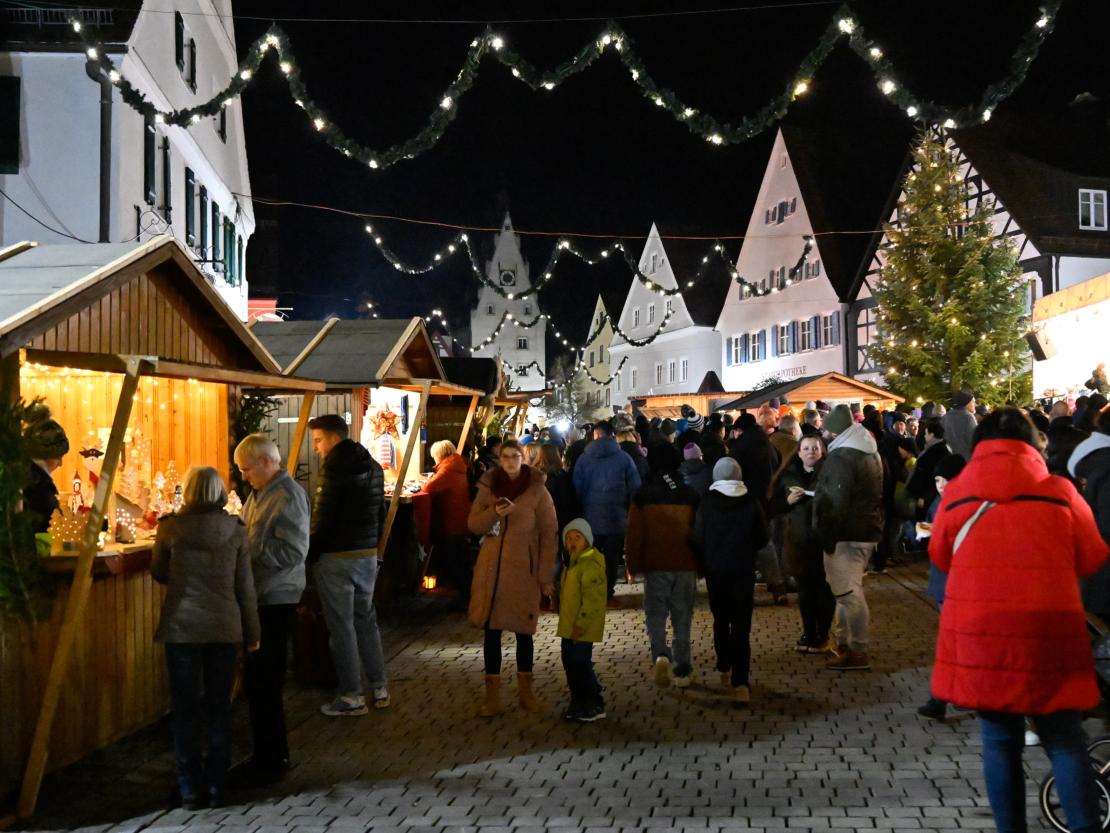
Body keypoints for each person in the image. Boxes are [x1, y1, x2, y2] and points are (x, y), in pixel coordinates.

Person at [930, 408, 1108, 833]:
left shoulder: (957, 493)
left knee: (999, 742)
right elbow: (1093, 556)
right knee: (1065, 740)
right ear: (1034, 445)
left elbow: (940, 556)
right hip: (1049, 631)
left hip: (983, 634)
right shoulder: (1059, 491)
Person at [151, 466, 259, 810]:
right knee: (218, 708)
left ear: (189, 490)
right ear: (219, 493)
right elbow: (245, 586)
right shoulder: (234, 530)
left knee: (184, 710)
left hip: (182, 628)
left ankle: (189, 789)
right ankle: (216, 785)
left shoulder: (169, 527)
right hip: (224, 629)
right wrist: (253, 633)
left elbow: (159, 572)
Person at [234, 434, 309, 784]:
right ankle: (267, 754)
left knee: (266, 679)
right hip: (261, 596)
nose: (244, 476)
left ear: (267, 461)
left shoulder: (288, 495)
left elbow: (293, 552)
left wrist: (249, 553)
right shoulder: (259, 493)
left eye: (247, 469)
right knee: (259, 680)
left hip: (276, 597)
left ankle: (271, 758)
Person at [307, 414, 390, 717]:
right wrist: (373, 545)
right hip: (366, 554)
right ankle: (380, 687)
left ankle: (352, 696)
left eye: (317, 440)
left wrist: (311, 554)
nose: (316, 448)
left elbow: (322, 518)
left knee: (341, 628)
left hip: (337, 557)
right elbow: (380, 511)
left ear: (332, 438)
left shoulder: (333, 469)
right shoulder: (372, 465)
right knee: (366, 621)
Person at [468, 438, 557, 716]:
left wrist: (544, 575)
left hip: (523, 571)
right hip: (492, 569)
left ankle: (526, 692)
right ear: (500, 458)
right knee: (491, 633)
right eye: (505, 456)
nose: (509, 461)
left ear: (523, 458)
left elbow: (548, 533)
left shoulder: (537, 490)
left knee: (523, 633)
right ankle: (492, 696)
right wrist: (494, 513)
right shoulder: (489, 486)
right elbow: (473, 524)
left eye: (515, 456)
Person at [692, 457, 769, 704]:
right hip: (743, 571)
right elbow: (763, 537)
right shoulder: (751, 502)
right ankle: (741, 682)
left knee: (721, 619)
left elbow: (698, 537)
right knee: (741, 625)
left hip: (717, 571)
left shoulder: (707, 503)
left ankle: (723, 662)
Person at [813, 404, 883, 671]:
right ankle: (844, 643)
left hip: (845, 534)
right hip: (865, 530)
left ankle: (857, 649)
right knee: (844, 591)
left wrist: (826, 534)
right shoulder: (868, 449)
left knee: (849, 593)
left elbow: (835, 501)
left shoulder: (842, 456)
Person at [625, 443, 700, 688]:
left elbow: (634, 534)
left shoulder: (643, 495)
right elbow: (700, 532)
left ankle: (660, 654)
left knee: (656, 613)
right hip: (685, 561)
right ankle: (683, 665)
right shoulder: (690, 494)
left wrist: (633, 564)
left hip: (656, 563)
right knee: (683, 615)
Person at [771, 435, 834, 654]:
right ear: (798, 453)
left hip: (823, 541)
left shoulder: (830, 473)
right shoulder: (788, 475)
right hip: (798, 542)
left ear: (822, 451)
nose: (811, 452)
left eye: (815, 448)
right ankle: (808, 632)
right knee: (805, 591)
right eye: (806, 448)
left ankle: (823, 634)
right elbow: (773, 506)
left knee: (824, 590)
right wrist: (786, 502)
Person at [915, 452, 966, 722]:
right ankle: (950, 694)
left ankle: (944, 697)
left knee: (953, 643)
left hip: (955, 582)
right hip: (943, 579)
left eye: (947, 479)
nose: (942, 485)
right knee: (952, 642)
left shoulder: (963, 504)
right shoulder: (940, 502)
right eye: (937, 480)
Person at [572, 421, 641, 601]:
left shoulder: (583, 459)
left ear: (595, 435)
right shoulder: (624, 458)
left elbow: (576, 488)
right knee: (611, 558)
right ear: (611, 435)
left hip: (589, 517)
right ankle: (608, 591)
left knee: (591, 556)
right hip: (616, 517)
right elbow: (635, 487)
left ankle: (592, 590)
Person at [728, 413, 785, 602]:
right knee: (766, 543)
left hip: (747, 501)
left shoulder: (740, 447)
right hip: (769, 501)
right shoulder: (769, 444)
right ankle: (777, 585)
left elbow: (733, 473)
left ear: (739, 430)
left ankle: (745, 589)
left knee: (746, 546)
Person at [557, 518, 607, 721]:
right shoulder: (571, 565)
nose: (573, 541)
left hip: (581, 627)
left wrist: (582, 623)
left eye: (578, 537)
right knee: (570, 662)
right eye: (569, 538)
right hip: (569, 626)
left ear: (587, 540)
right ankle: (578, 700)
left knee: (580, 662)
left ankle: (592, 702)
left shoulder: (590, 565)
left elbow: (593, 600)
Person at [423, 440, 473, 602]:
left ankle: (465, 597)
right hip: (459, 519)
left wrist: (430, 478)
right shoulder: (457, 465)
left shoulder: (448, 468)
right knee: (460, 560)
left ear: (439, 455)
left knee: (455, 561)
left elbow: (428, 488)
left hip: (450, 521)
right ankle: (466, 595)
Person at [23, 417, 69, 533]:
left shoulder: (27, 475)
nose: (60, 464)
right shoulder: (38, 483)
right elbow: (53, 519)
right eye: (58, 457)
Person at [906, 418, 949, 519]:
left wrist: (923, 497)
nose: (924, 436)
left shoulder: (936, 451)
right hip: (925, 495)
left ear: (932, 434)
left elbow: (933, 476)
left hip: (926, 498)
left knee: (923, 521)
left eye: (926, 433)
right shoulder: (935, 448)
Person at [943, 392, 978, 460]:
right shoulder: (968, 417)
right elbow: (974, 440)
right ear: (966, 403)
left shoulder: (946, 417)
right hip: (966, 460)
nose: (975, 404)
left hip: (950, 459)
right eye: (973, 402)